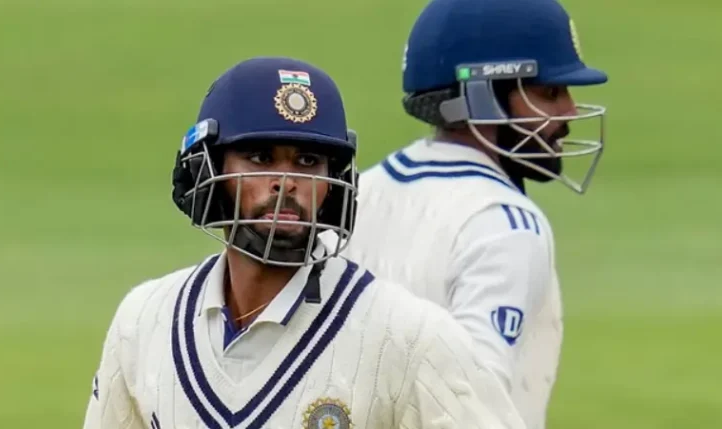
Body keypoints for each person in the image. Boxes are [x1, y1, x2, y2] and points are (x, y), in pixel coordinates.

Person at [82, 56, 527, 429]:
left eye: (308, 161)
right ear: (207, 171)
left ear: (334, 182)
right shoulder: (144, 320)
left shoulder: (410, 337)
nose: (286, 181)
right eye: (260, 157)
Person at [336, 0, 609, 428]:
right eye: (550, 93)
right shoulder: (504, 224)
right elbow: (469, 404)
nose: (569, 111)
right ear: (482, 96)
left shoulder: (358, 195)